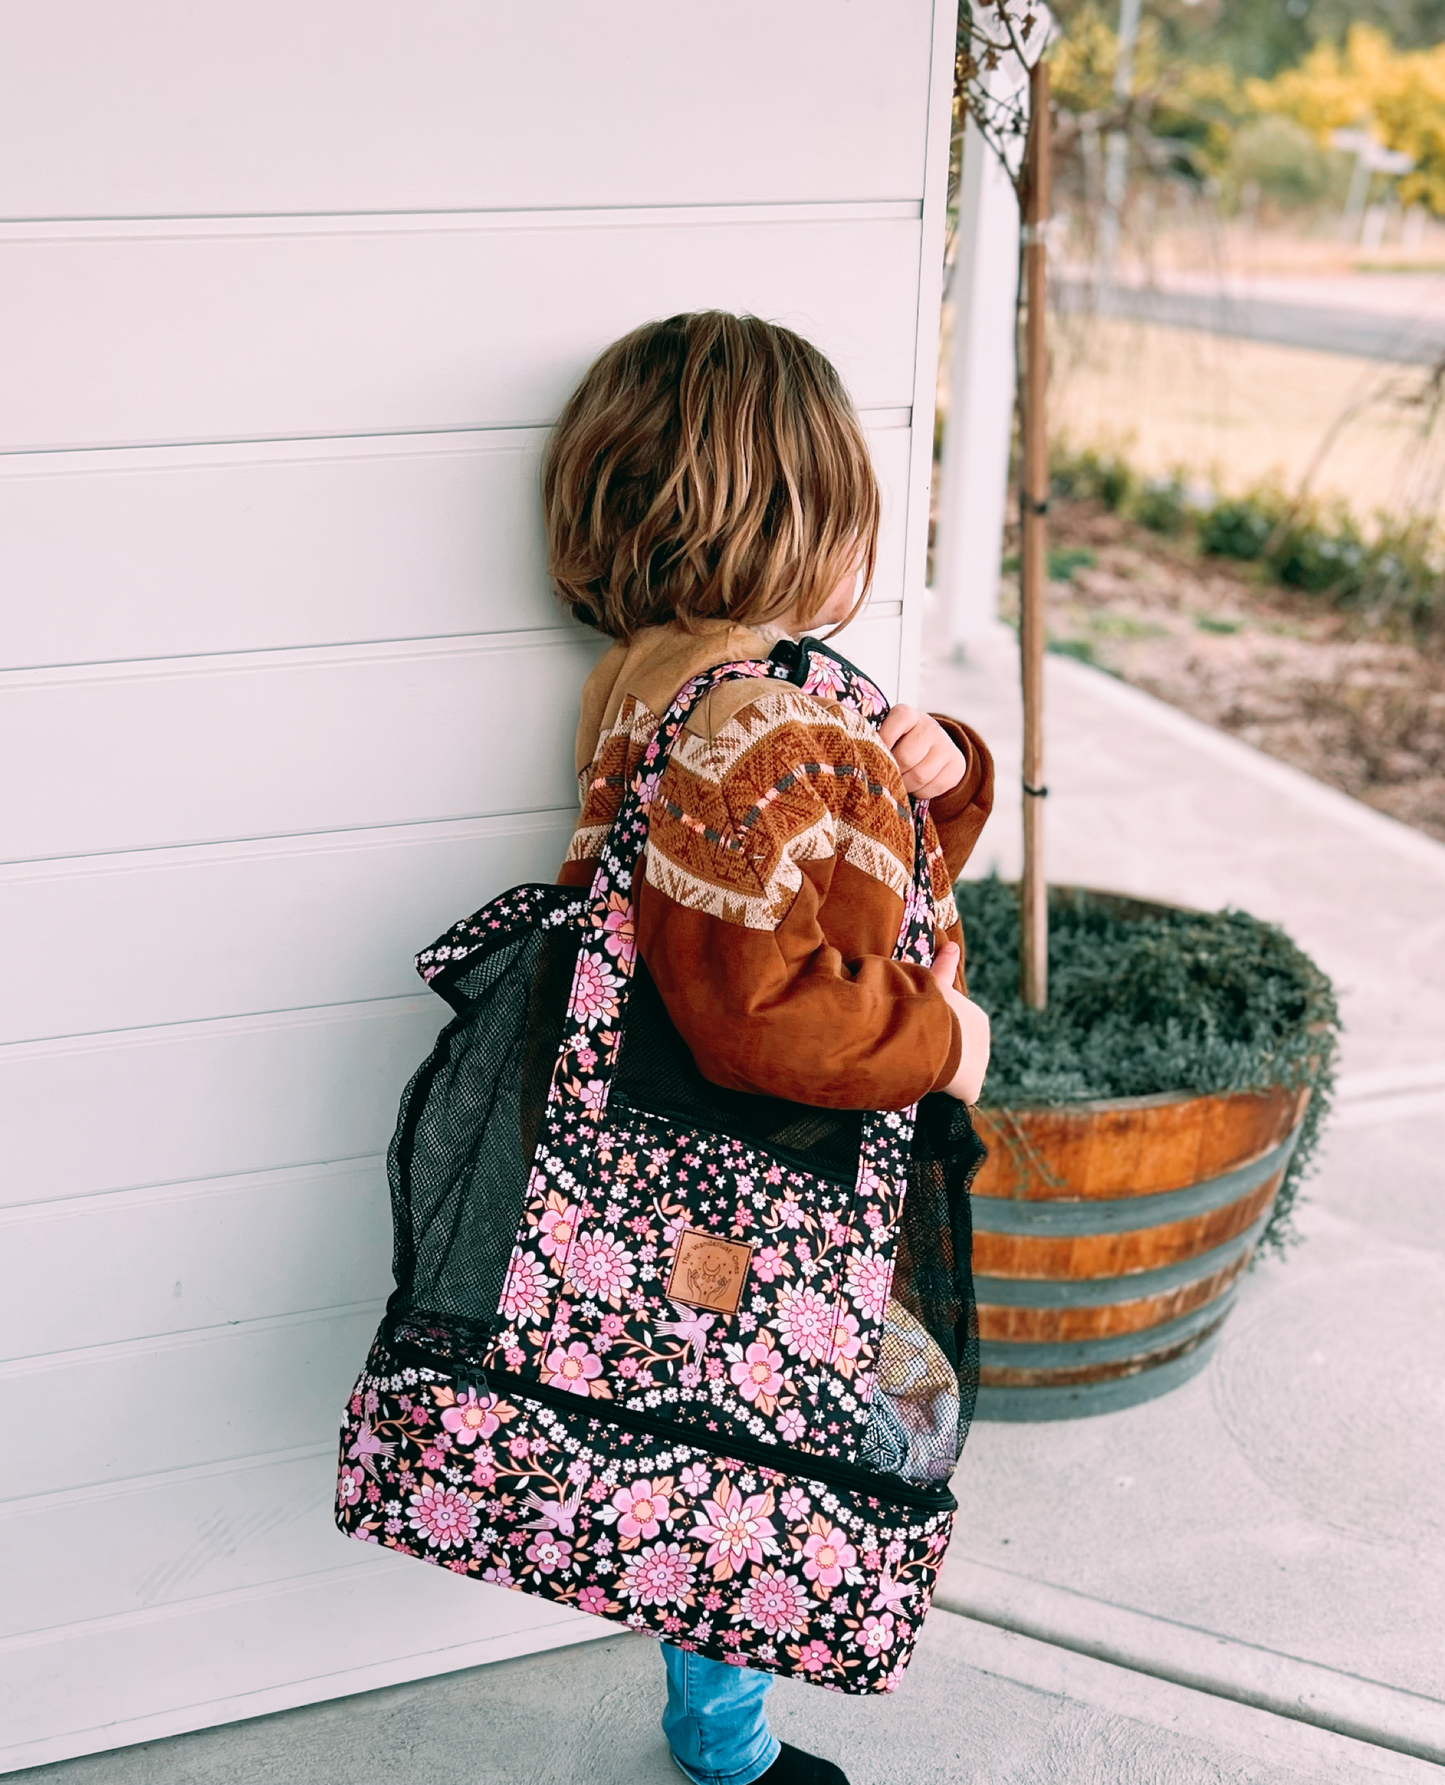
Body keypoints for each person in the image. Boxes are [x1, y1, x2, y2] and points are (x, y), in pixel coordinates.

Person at [542, 311, 994, 1785]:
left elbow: (866, 881)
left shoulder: (675, 682)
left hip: (660, 1164)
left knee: (714, 1428)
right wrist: (943, 1042)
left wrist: (940, 772)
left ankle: (720, 1722)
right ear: (800, 524)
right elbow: (768, 1002)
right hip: (761, 1171)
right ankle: (729, 1747)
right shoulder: (760, 722)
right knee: (774, 1444)